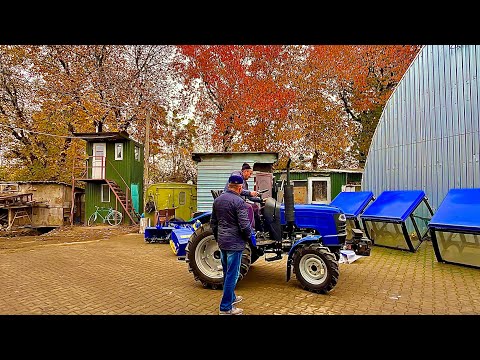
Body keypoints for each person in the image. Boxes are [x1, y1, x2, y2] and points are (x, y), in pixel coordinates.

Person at [211, 173, 254, 315]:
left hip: (223, 242)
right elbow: (244, 225)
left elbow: (214, 223)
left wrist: (218, 238)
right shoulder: (239, 202)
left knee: (226, 272)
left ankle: (232, 297)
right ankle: (225, 308)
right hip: (235, 244)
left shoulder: (218, 200)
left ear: (229, 185)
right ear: (240, 187)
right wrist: (250, 238)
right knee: (232, 275)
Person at [224, 163, 263, 231]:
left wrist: (261, 200)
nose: (250, 176)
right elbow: (236, 188)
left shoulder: (244, 182)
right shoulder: (236, 175)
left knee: (255, 207)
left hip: (237, 200)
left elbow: (248, 197)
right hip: (232, 199)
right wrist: (250, 192)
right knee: (251, 207)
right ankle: (252, 230)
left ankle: (259, 230)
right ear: (245, 171)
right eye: (250, 174)